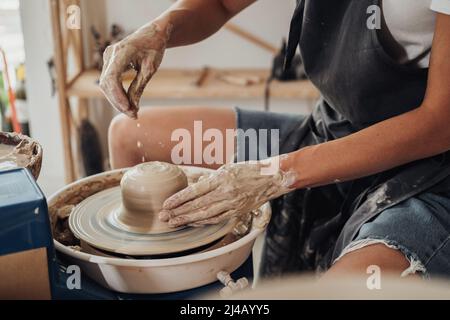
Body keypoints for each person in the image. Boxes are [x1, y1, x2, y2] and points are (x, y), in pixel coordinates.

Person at [100, 0, 450, 279]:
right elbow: (221, 4)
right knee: (131, 135)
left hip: (429, 174)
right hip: (329, 133)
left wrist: (277, 172)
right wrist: (159, 30)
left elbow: (439, 125)